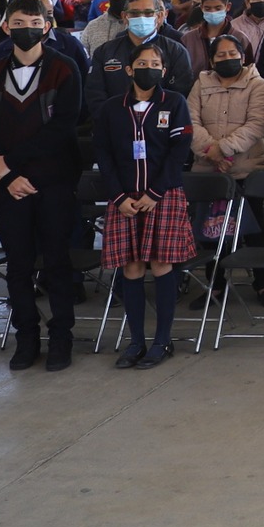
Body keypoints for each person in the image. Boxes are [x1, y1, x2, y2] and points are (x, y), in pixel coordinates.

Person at [0, 0, 84, 372]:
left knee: (57, 262)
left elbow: (64, 126)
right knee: (18, 266)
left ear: (46, 28)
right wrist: (3, 172)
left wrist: (12, 163)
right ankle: (26, 337)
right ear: (6, 27)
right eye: (17, 24)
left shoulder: (65, 68)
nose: (26, 30)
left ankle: (62, 338)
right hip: (8, 187)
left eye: (33, 24)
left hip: (54, 182)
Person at [92, 41, 193, 368]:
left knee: (162, 264)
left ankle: (162, 341)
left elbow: (180, 153)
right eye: (142, 63)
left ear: (163, 71)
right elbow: (104, 156)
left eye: (155, 63)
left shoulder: (174, 103)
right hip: (123, 199)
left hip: (161, 196)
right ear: (129, 69)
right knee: (131, 267)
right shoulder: (110, 108)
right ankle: (136, 341)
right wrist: (118, 196)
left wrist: (155, 192)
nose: (148, 67)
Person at [188, 34, 264, 308]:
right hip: (208, 172)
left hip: (246, 170)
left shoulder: (257, 84)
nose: (227, 59)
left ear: (242, 56)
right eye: (221, 55)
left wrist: (222, 149)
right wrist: (211, 153)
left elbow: (257, 124)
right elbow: (190, 122)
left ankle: (262, 284)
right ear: (212, 60)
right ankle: (215, 284)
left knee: (254, 231)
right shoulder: (201, 83)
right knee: (211, 232)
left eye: (232, 54)